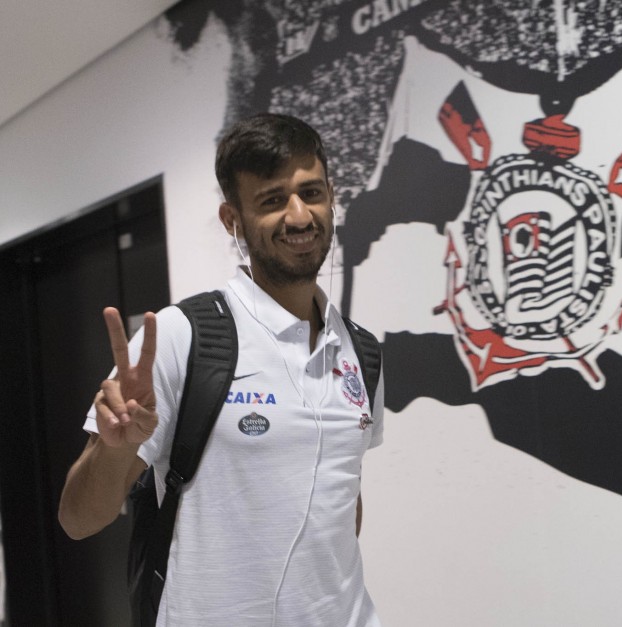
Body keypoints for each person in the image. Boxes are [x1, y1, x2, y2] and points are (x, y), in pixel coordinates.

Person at [58, 113, 384, 626]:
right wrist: (115, 449)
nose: (300, 217)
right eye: (273, 200)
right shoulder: (180, 338)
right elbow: (78, 520)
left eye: (312, 192)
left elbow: (342, 498)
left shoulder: (361, 352)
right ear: (233, 220)